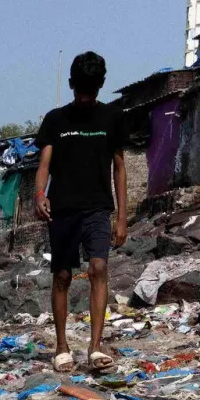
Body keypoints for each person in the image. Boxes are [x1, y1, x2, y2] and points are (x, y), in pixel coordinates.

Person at [33, 51, 128, 373]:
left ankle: (95, 347)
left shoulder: (112, 118)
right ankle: (62, 347)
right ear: (72, 85)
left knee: (98, 268)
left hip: (98, 209)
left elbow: (120, 167)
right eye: (81, 90)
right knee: (62, 276)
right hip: (62, 209)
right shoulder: (56, 120)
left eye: (92, 90)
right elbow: (44, 163)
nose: (86, 97)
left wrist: (122, 217)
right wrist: (38, 194)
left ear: (100, 86)